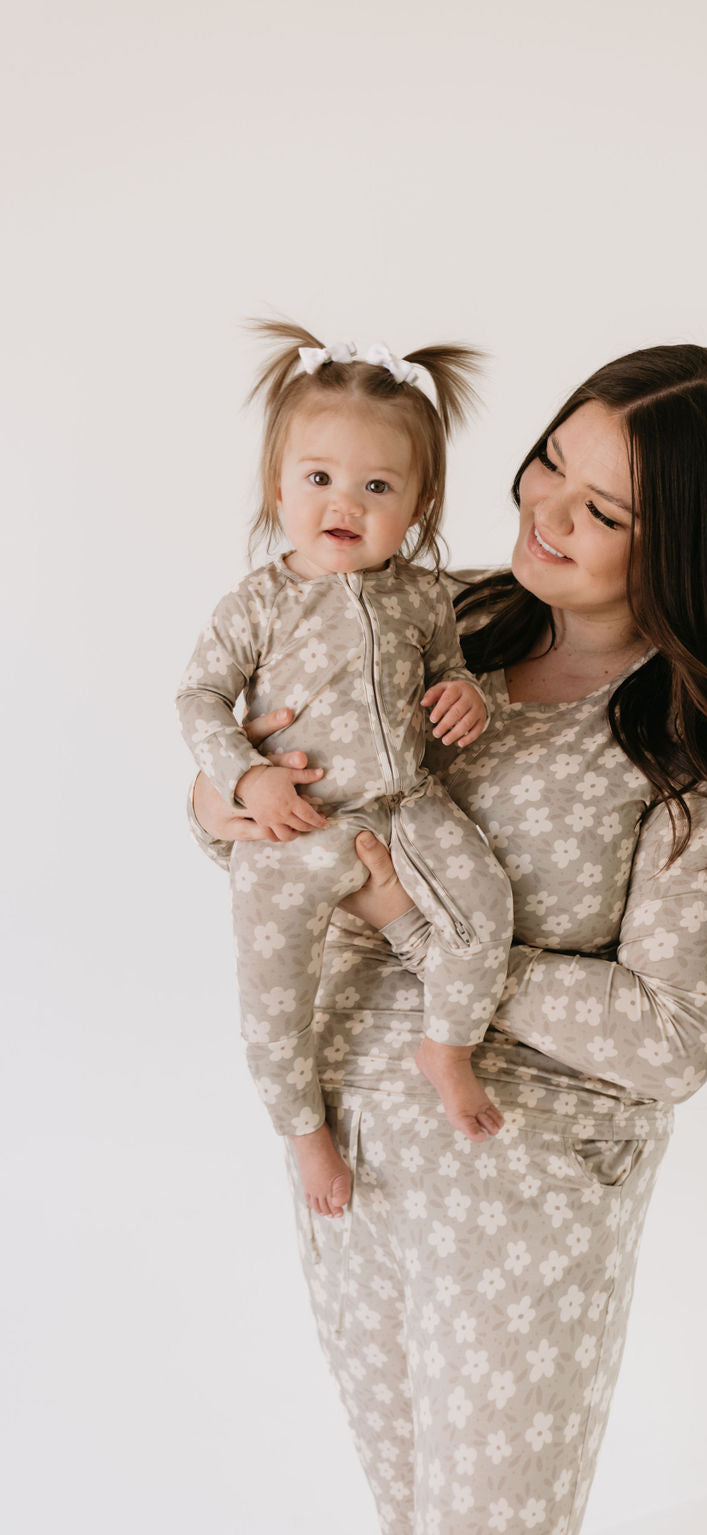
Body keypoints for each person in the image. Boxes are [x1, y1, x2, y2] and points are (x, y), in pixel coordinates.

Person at [188, 342, 707, 1535]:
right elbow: (252, 813)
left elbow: (671, 1033)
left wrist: (422, 933)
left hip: (518, 1200)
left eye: (604, 507)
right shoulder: (433, 615)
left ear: (682, 536)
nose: (546, 508)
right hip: (350, 1162)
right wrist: (229, 793)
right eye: (546, 462)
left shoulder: (684, 748)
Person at [177, 321, 516, 1221]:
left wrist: (468, 695)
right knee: (272, 992)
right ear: (278, 483)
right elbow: (199, 700)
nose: (346, 504)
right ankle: (301, 1128)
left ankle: (447, 1045)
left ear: (420, 503)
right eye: (319, 478)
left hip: (405, 809)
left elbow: (446, 673)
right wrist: (245, 780)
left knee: (487, 908)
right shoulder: (259, 600)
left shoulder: (423, 596)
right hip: (294, 823)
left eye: (377, 486)